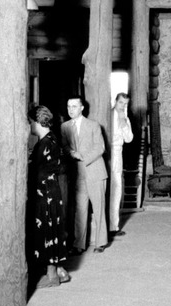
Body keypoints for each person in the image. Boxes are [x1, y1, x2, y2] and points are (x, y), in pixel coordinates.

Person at [28, 105, 69, 289]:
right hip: (52, 190)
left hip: (44, 193)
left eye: (30, 122)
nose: (29, 126)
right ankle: (59, 270)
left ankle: (52, 275)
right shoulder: (52, 138)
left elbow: (37, 169)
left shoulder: (45, 143)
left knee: (46, 230)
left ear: (38, 122)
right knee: (53, 229)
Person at [61, 96, 108, 254]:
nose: (71, 109)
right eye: (69, 106)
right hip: (79, 175)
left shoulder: (94, 125)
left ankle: (100, 242)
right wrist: (72, 153)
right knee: (80, 210)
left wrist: (84, 158)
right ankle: (78, 244)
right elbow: (65, 146)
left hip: (95, 171)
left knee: (98, 207)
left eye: (74, 106)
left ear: (82, 108)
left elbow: (100, 147)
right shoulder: (65, 126)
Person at [109, 92, 134, 238]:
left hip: (118, 153)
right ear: (115, 102)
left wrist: (124, 123)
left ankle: (114, 226)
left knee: (117, 187)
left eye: (125, 104)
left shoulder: (124, 118)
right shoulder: (108, 115)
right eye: (120, 103)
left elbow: (129, 138)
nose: (123, 106)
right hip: (107, 152)